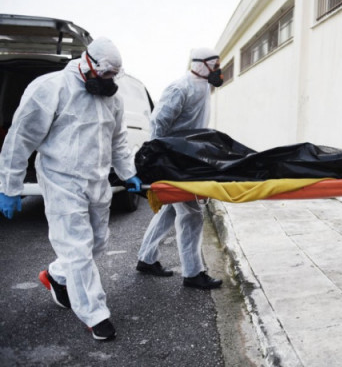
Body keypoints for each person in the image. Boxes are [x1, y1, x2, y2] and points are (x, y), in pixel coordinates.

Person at [0, 37, 142, 340]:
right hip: (60, 179)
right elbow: (19, 138)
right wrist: (10, 186)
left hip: (97, 180)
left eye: (113, 75)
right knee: (77, 248)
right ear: (87, 62)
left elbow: (118, 140)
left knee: (97, 242)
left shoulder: (113, 99)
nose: (109, 80)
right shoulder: (50, 88)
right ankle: (95, 315)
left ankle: (55, 275)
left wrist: (128, 173)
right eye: (105, 73)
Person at [136, 47, 224, 290]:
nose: (218, 71)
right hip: (175, 160)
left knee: (170, 211)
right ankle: (193, 273)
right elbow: (158, 122)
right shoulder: (180, 88)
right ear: (202, 64)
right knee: (192, 214)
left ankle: (146, 258)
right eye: (216, 66)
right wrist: (159, 158)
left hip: (190, 157)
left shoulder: (204, 86)